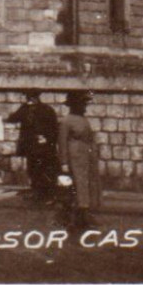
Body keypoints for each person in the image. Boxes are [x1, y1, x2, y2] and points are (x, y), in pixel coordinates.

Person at [58, 91, 103, 228]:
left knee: (87, 186)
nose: (84, 107)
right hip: (74, 159)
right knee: (77, 187)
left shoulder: (83, 119)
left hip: (86, 157)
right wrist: (64, 162)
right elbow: (62, 143)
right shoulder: (66, 121)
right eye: (82, 104)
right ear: (74, 105)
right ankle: (77, 217)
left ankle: (84, 215)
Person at [5, 90, 61, 198]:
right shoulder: (44, 109)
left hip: (37, 146)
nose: (28, 100)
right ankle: (41, 190)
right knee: (38, 168)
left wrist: (48, 139)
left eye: (29, 97)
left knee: (37, 168)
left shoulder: (32, 109)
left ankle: (41, 190)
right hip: (38, 145)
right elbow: (13, 118)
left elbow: (12, 118)